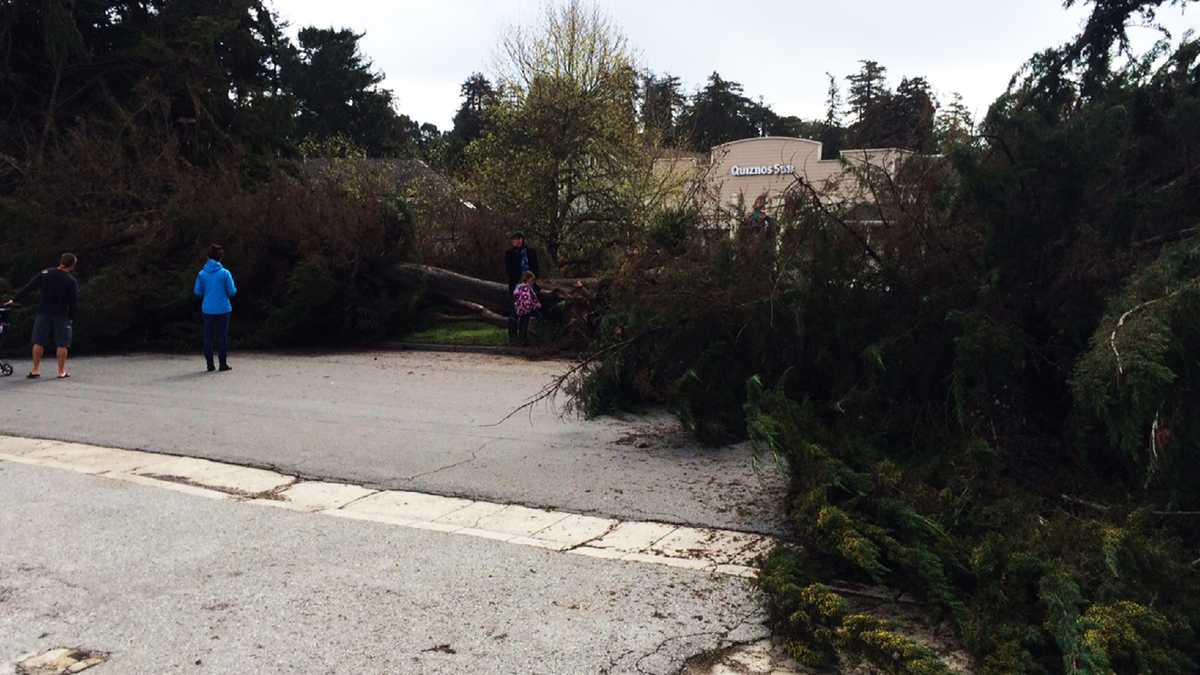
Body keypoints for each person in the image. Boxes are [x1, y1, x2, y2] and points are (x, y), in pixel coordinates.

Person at [5, 253, 79, 379]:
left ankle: (35, 370)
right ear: (72, 265)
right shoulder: (71, 281)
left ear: (61, 261)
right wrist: (71, 317)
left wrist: (14, 299)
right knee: (62, 344)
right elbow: (73, 302)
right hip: (62, 314)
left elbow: (29, 286)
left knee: (38, 341)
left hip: (43, 312)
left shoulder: (46, 273)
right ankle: (61, 371)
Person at [194, 244, 237, 372]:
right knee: (222, 337)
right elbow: (232, 291)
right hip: (223, 309)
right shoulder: (225, 273)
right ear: (220, 257)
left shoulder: (201, 274)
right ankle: (222, 364)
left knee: (208, 337)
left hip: (207, 309)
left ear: (208, 257)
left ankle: (209, 365)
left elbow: (197, 291)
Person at [504, 232, 540, 341]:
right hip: (517, 285)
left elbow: (536, 267)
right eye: (515, 239)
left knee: (526, 311)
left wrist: (531, 280)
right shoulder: (510, 253)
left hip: (529, 284)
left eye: (519, 239)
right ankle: (512, 337)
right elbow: (509, 270)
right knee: (514, 311)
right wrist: (520, 281)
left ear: (522, 239)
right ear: (512, 241)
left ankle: (523, 338)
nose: (518, 241)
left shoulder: (530, 252)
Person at [512, 271, 542, 345]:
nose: (532, 282)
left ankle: (521, 339)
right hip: (527, 308)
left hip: (520, 309)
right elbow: (530, 298)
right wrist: (536, 304)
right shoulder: (527, 288)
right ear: (528, 279)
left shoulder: (518, 287)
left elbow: (515, 295)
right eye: (532, 280)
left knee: (522, 323)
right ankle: (524, 340)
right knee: (526, 323)